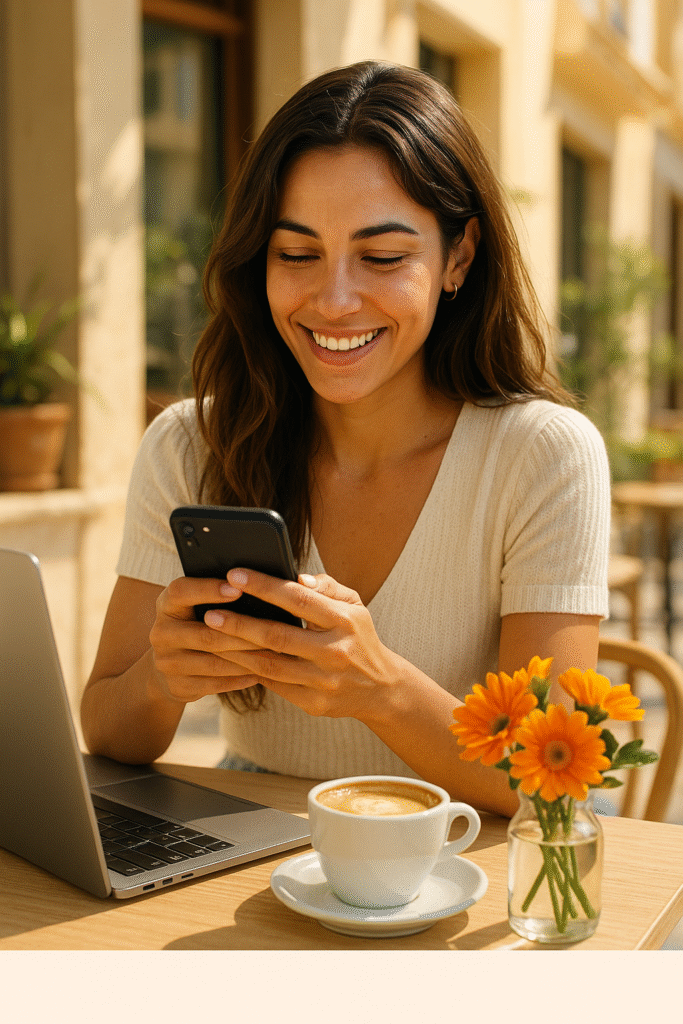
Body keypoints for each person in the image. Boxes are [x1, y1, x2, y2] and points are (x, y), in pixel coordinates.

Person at [81, 61, 610, 817]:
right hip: (254, 845)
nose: (333, 302)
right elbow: (107, 731)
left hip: (458, 854)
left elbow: (549, 782)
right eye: (296, 255)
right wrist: (163, 678)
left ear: (459, 257)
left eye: (383, 257)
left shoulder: (543, 456)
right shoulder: (191, 444)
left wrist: (378, 690)